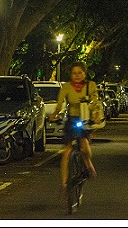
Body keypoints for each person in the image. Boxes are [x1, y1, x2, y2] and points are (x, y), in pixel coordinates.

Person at [49, 61, 101, 192]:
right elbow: (59, 103)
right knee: (67, 152)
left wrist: (96, 115)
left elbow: (96, 102)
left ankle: (88, 164)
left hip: (85, 119)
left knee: (84, 147)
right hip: (72, 120)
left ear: (84, 74)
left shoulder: (91, 86)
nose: (77, 76)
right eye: (74, 73)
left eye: (79, 73)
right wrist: (55, 114)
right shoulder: (66, 87)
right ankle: (64, 183)